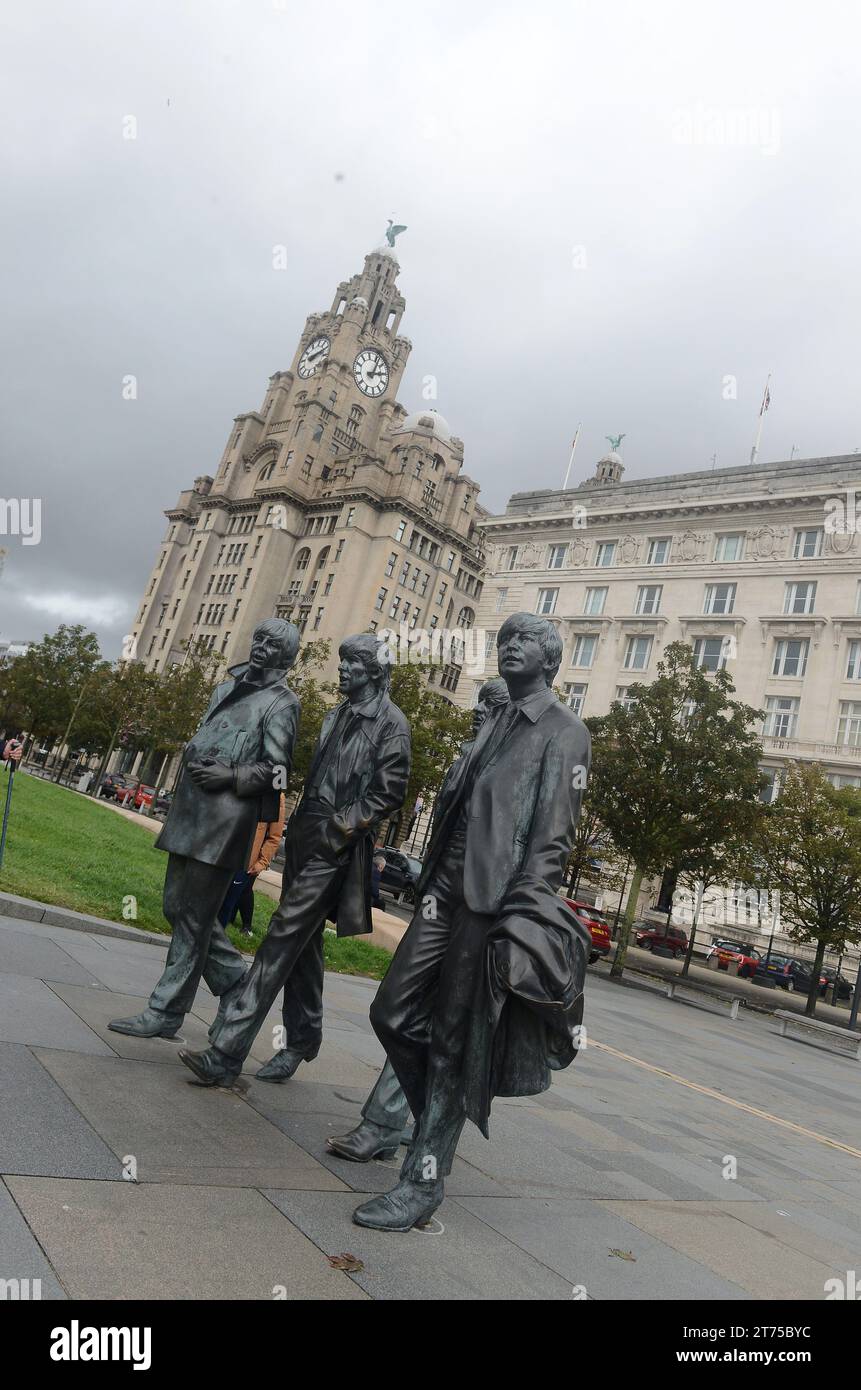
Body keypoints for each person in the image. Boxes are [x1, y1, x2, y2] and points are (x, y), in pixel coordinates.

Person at [352, 614, 591, 1231]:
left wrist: (524, 914)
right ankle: (433, 1109)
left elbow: (552, 837)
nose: (511, 646)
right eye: (506, 638)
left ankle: (423, 1180)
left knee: (455, 1041)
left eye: (526, 641)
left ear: (552, 659)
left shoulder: (564, 732)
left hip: (492, 904)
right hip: (442, 891)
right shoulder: (500, 718)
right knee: (393, 1012)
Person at [177, 631, 411, 1087]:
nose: (342, 670)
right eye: (343, 662)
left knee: (280, 939)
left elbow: (389, 792)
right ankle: (303, 1039)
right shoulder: (335, 714)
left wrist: (339, 830)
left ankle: (226, 1052)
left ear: (376, 672)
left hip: (336, 846)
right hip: (306, 837)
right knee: (303, 947)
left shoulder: (391, 724)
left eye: (353, 664)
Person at [327, 676, 510, 1163]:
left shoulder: (516, 762)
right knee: (397, 1009)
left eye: (491, 706)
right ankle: (416, 1113)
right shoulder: (468, 755)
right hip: (439, 895)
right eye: (479, 703)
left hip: (478, 909)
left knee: (437, 1017)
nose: (478, 712)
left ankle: (386, 1123)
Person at [108, 619, 301, 1040]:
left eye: (274, 644)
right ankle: (234, 984)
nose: (262, 646)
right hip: (192, 811)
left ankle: (165, 1011)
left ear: (287, 657)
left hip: (225, 822)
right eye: (260, 638)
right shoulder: (225, 688)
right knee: (180, 909)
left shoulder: (281, 703)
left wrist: (232, 776)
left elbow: (281, 773)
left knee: (193, 915)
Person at [218, 794, 287, 938]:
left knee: (225, 908)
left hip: (244, 863)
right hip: (221, 854)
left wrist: (262, 862)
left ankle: (212, 945)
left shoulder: (275, 795)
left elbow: (274, 836)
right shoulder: (239, 783)